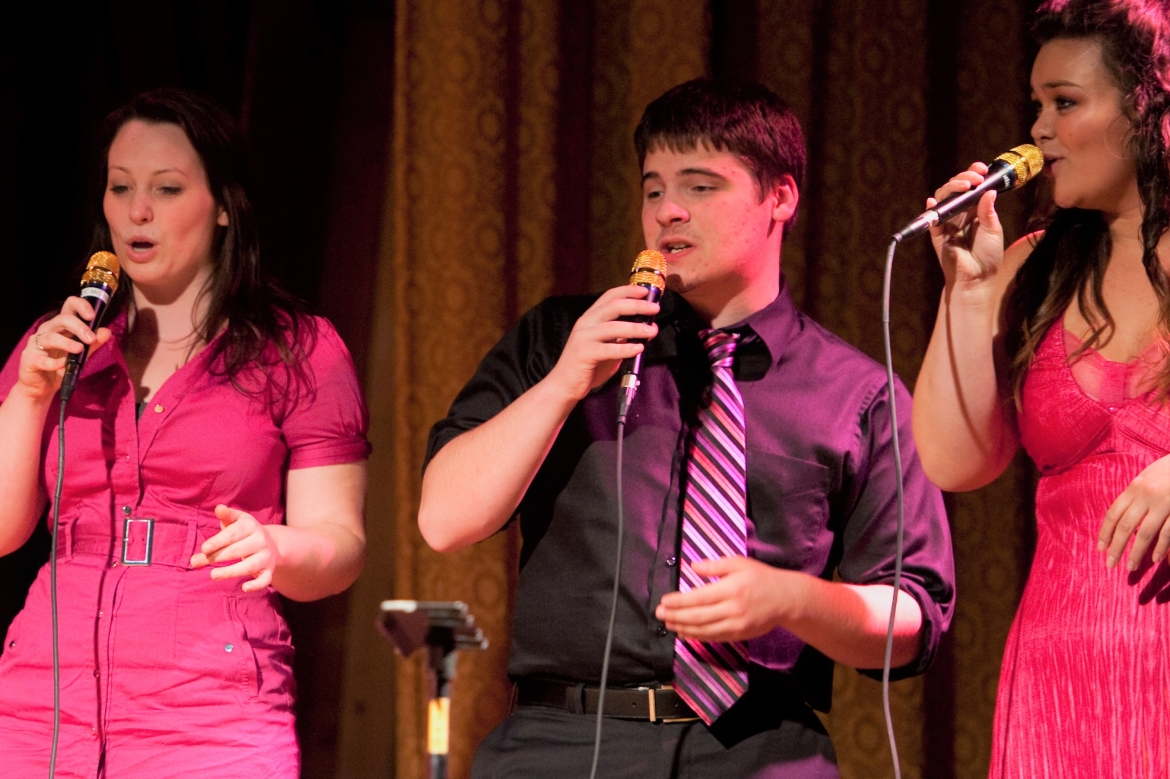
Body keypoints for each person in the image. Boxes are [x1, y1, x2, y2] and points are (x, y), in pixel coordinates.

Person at [419, 78, 954, 778]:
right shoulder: (564, 338)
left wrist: (792, 597)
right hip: (563, 740)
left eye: (701, 187)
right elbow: (443, 520)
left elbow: (913, 615)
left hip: (759, 747)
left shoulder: (856, 392)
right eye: (652, 189)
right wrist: (564, 384)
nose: (669, 210)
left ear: (780, 198)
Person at [0, 89, 370, 777]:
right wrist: (27, 392)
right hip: (43, 702)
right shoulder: (57, 347)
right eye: (120, 187)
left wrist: (279, 546)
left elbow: (341, 545)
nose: (137, 211)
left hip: (209, 707)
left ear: (224, 206)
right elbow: (3, 528)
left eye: (166, 188)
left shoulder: (299, 350)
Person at [912, 1, 1170, 775]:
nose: (1039, 131)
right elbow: (955, 462)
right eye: (1036, 105)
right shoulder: (1032, 265)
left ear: (1147, 105)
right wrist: (966, 290)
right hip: (1060, 674)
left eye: (1065, 102)